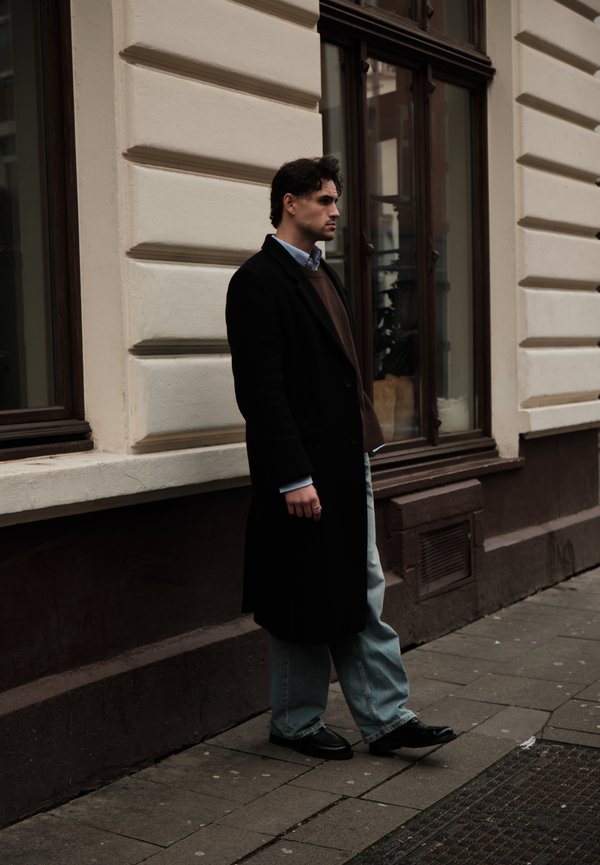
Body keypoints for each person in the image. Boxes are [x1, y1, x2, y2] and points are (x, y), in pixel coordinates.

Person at [225, 156, 456, 760]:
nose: (335, 212)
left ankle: (385, 718)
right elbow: (261, 390)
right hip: (300, 471)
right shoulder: (257, 280)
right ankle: (297, 723)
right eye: (324, 201)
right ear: (289, 203)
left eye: (335, 200)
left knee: (359, 584)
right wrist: (293, 476)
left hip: (346, 460)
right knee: (300, 592)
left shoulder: (325, 276)